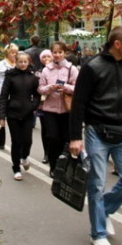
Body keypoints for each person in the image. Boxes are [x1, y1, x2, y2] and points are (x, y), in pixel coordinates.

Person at [69, 26, 122, 245]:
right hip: (97, 132)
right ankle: (98, 233)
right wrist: (75, 137)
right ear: (117, 44)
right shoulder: (92, 67)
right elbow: (79, 103)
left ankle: (103, 210)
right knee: (96, 184)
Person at [38, 41, 79, 175]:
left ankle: (64, 165)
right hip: (50, 109)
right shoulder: (46, 69)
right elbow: (40, 88)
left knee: (65, 138)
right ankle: (53, 166)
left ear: (65, 53)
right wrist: (50, 88)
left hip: (66, 110)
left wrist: (65, 87)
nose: (57, 55)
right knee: (53, 137)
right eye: (54, 52)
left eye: (60, 52)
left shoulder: (71, 69)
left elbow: (77, 87)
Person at [0, 52, 40, 180]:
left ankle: (24, 156)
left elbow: (37, 95)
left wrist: (33, 106)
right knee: (16, 142)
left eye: (25, 62)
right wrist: (2, 116)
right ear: (16, 62)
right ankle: (16, 168)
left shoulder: (32, 77)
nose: (22, 64)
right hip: (13, 113)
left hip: (27, 113)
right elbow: (4, 96)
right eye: (20, 62)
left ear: (28, 62)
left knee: (27, 141)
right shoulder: (10, 76)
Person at [0, 44, 19, 150]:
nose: (15, 55)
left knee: (14, 120)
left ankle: (15, 143)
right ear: (7, 52)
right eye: (12, 52)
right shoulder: (0, 65)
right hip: (1, 96)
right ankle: (1, 142)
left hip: (15, 96)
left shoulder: (19, 63)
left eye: (16, 52)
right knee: (1, 119)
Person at [37, 49, 53, 164]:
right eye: (44, 57)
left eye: (48, 56)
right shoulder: (38, 72)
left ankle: (55, 154)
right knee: (45, 130)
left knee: (54, 132)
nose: (46, 59)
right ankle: (46, 153)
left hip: (56, 104)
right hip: (43, 105)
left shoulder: (57, 69)